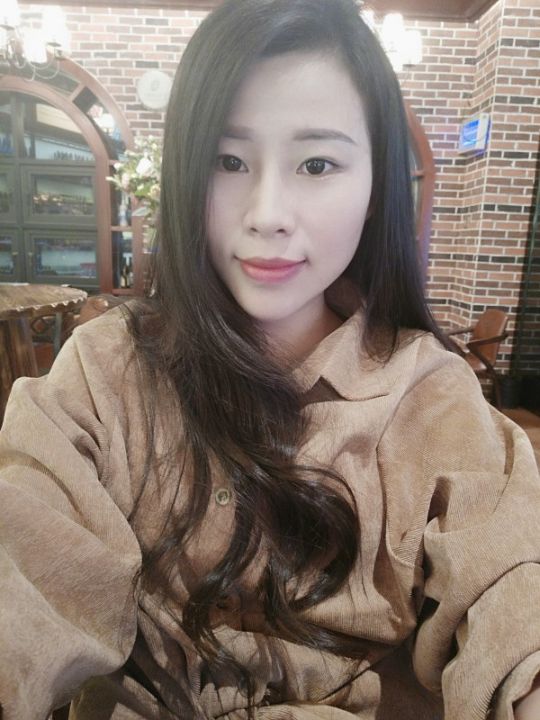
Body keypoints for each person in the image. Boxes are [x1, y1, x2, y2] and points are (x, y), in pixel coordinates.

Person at [1, 0, 539, 718]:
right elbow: (25, 561)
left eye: (316, 163)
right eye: (229, 161)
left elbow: (514, 598)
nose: (267, 213)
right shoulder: (106, 371)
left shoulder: (432, 397)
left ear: (375, 184)